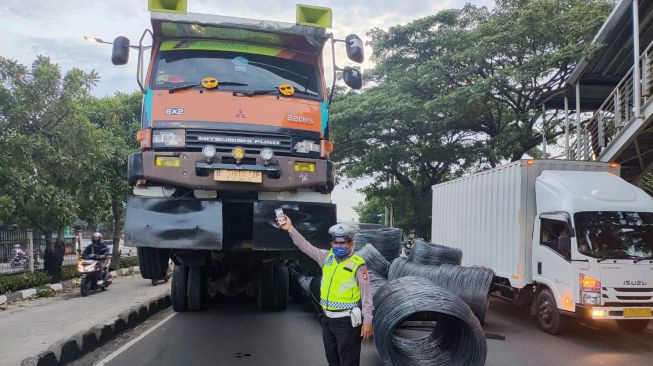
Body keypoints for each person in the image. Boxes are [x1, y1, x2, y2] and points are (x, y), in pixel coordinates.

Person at [278, 216, 373, 366]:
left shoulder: (358, 265)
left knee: (348, 362)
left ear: (350, 244)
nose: (339, 246)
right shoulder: (326, 257)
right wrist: (290, 228)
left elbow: (367, 296)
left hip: (347, 322)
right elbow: (305, 246)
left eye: (343, 243)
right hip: (327, 320)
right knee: (332, 360)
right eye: (336, 242)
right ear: (331, 243)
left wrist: (367, 321)